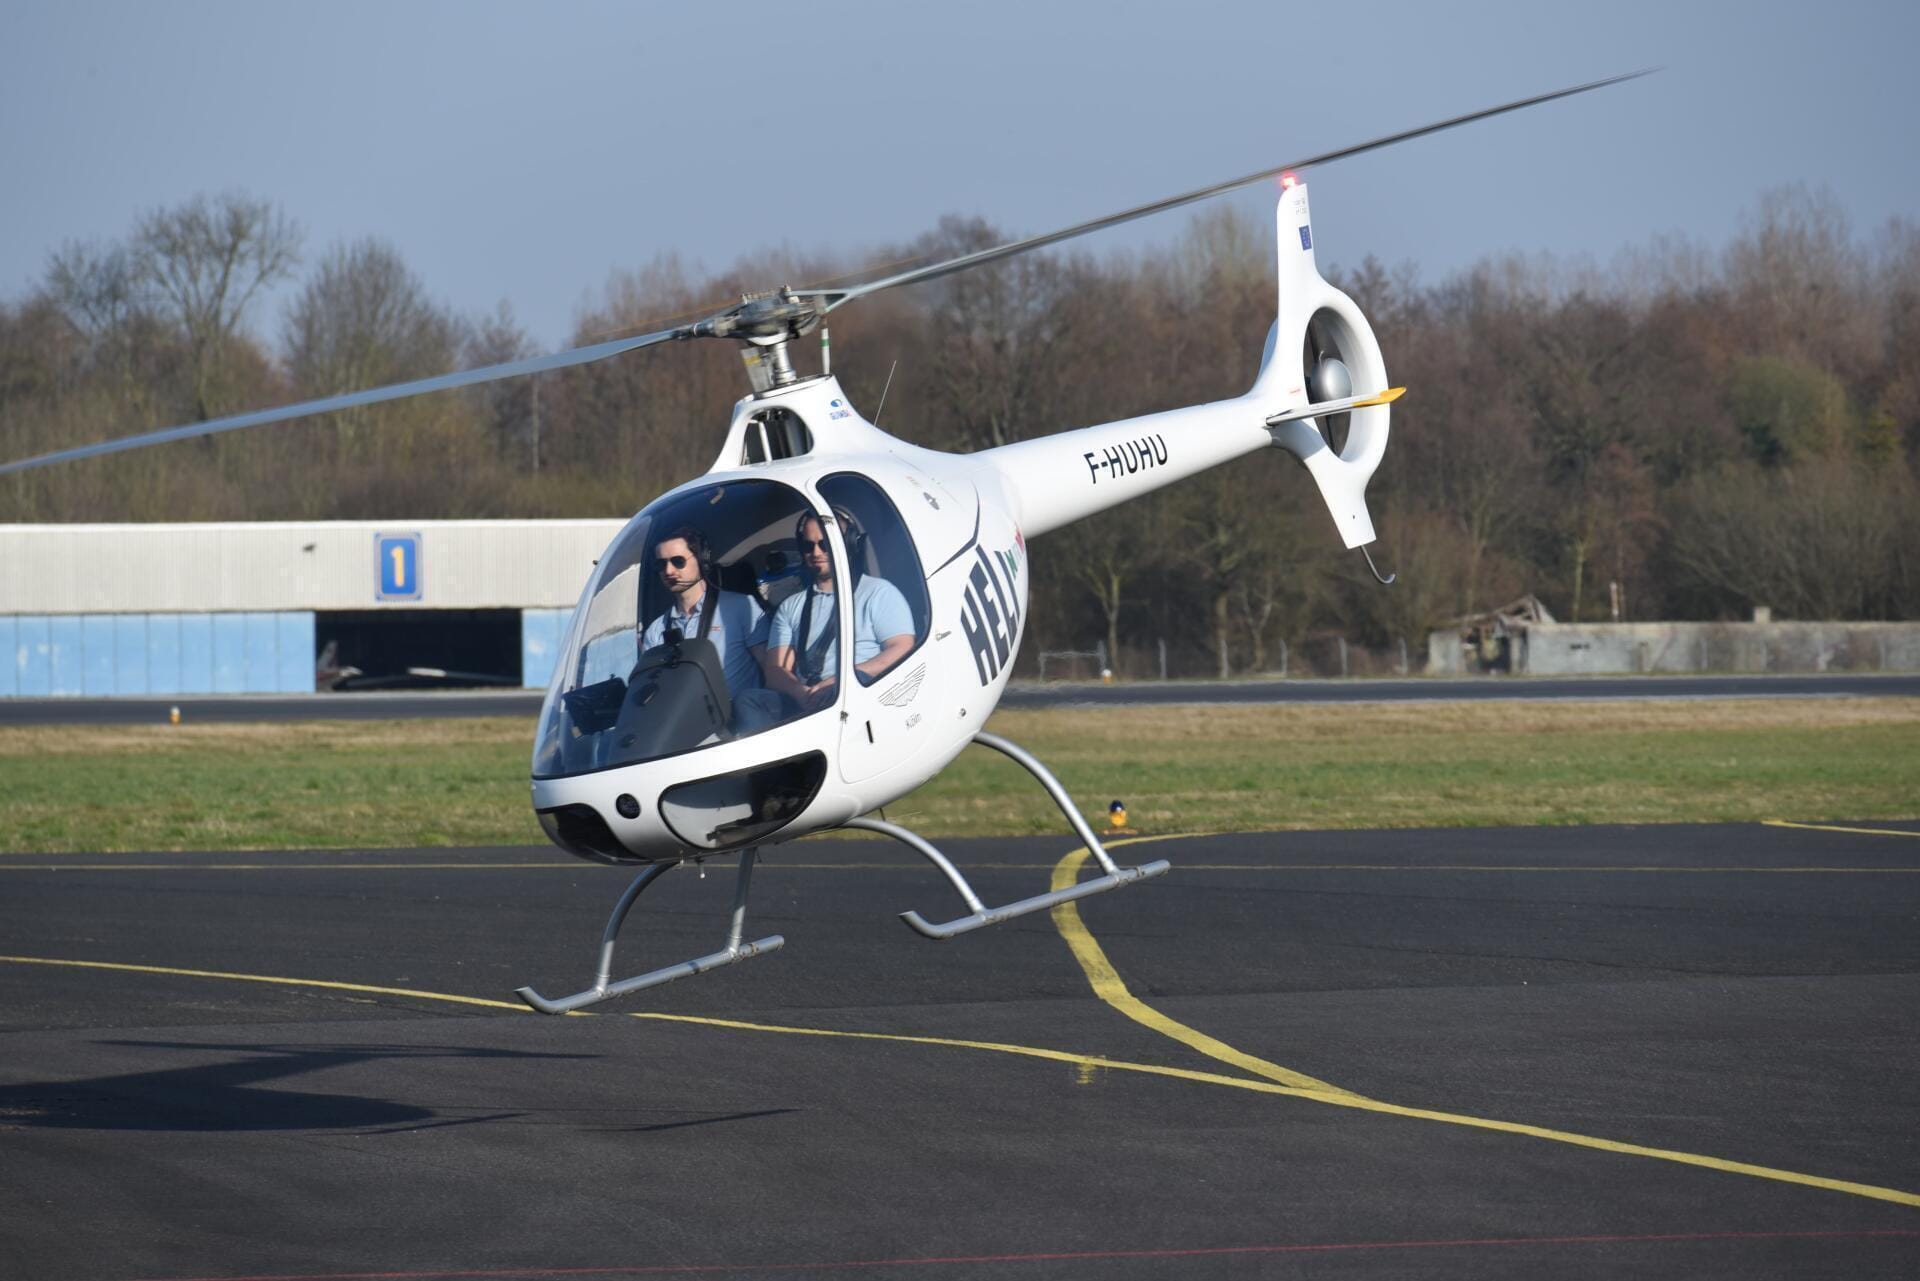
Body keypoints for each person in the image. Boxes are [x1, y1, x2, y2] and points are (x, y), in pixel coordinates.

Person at [764, 508, 915, 712]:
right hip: (806, 698)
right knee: (750, 700)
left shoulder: (879, 592)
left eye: (825, 544)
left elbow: (902, 647)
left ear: (848, 545)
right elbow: (774, 669)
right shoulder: (791, 606)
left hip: (859, 692)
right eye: (809, 546)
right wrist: (802, 693)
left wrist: (843, 680)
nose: (816, 553)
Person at [640, 525, 784, 734]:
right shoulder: (656, 630)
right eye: (661, 564)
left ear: (702, 560)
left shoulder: (740, 607)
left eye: (678, 562)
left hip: (739, 729)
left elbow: (770, 669)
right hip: (685, 733)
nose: (669, 571)